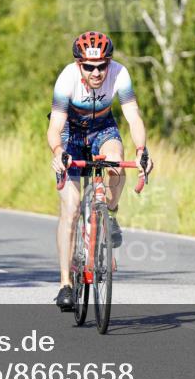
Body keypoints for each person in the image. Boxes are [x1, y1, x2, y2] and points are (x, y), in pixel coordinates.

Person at [47, 31, 154, 310]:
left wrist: (142, 151)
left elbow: (133, 116)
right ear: (79, 65)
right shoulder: (66, 79)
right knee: (70, 209)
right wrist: (58, 153)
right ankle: (65, 284)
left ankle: (111, 214)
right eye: (89, 67)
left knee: (116, 163)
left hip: (103, 129)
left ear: (109, 63)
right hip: (71, 132)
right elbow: (55, 126)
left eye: (102, 65)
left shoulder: (120, 74)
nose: (97, 72)